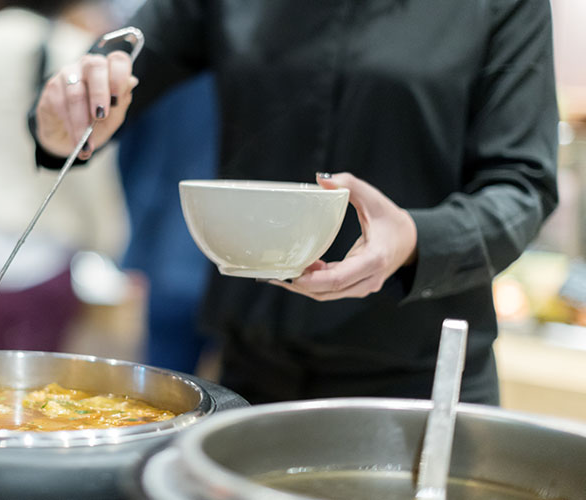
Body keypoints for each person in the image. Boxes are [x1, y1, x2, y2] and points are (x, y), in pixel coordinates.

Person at [29, 0, 558, 405]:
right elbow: (119, 71)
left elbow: (523, 184)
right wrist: (67, 117)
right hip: (254, 371)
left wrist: (418, 239)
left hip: (422, 378)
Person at [0, 0, 128, 352]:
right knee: (38, 388)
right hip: (45, 246)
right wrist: (109, 242)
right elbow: (91, 164)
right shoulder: (74, 49)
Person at [116, 72, 218, 373]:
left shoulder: (168, 67)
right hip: (254, 266)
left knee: (167, 392)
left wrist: (138, 247)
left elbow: (131, 160)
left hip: (170, 252)